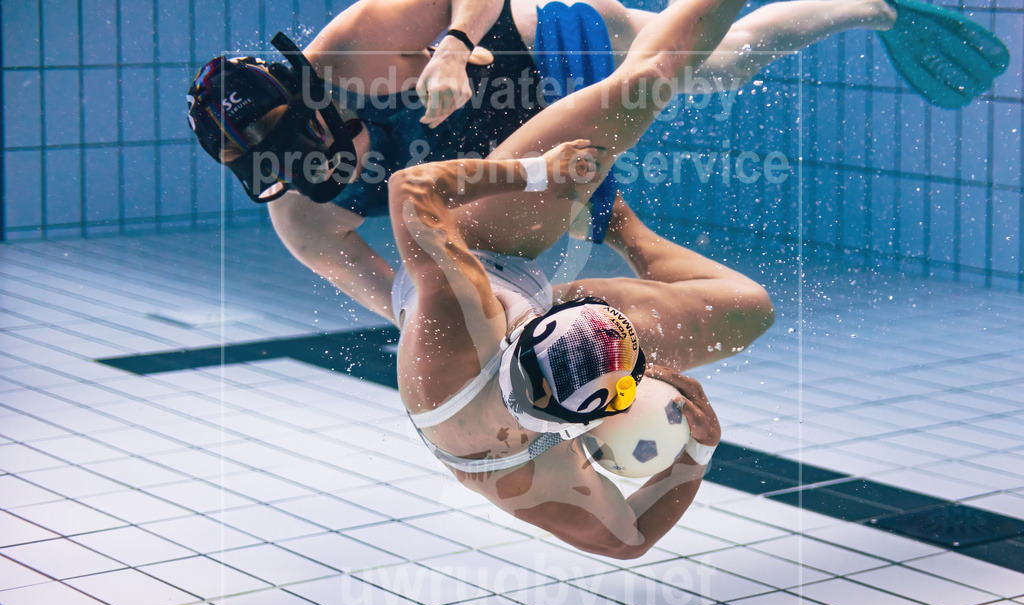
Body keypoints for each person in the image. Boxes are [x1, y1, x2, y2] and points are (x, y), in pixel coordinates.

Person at [186, 0, 923, 322]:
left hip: (541, 49)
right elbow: (412, 310)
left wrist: (451, 46)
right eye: (292, 166)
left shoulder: (360, 45)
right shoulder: (304, 220)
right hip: (503, 159)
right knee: (526, 257)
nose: (322, 166)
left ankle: (868, 6)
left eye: (308, 140)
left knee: (719, 65)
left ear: (306, 86)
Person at [386, 0, 777, 558]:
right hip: (515, 324)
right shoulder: (535, 476)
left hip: (481, 249)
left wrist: (542, 173)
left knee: (647, 81)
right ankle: (617, 221)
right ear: (586, 425)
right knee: (748, 309)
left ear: (527, 331)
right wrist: (696, 456)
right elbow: (628, 540)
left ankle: (609, 215)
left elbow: (410, 191)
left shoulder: (461, 311)